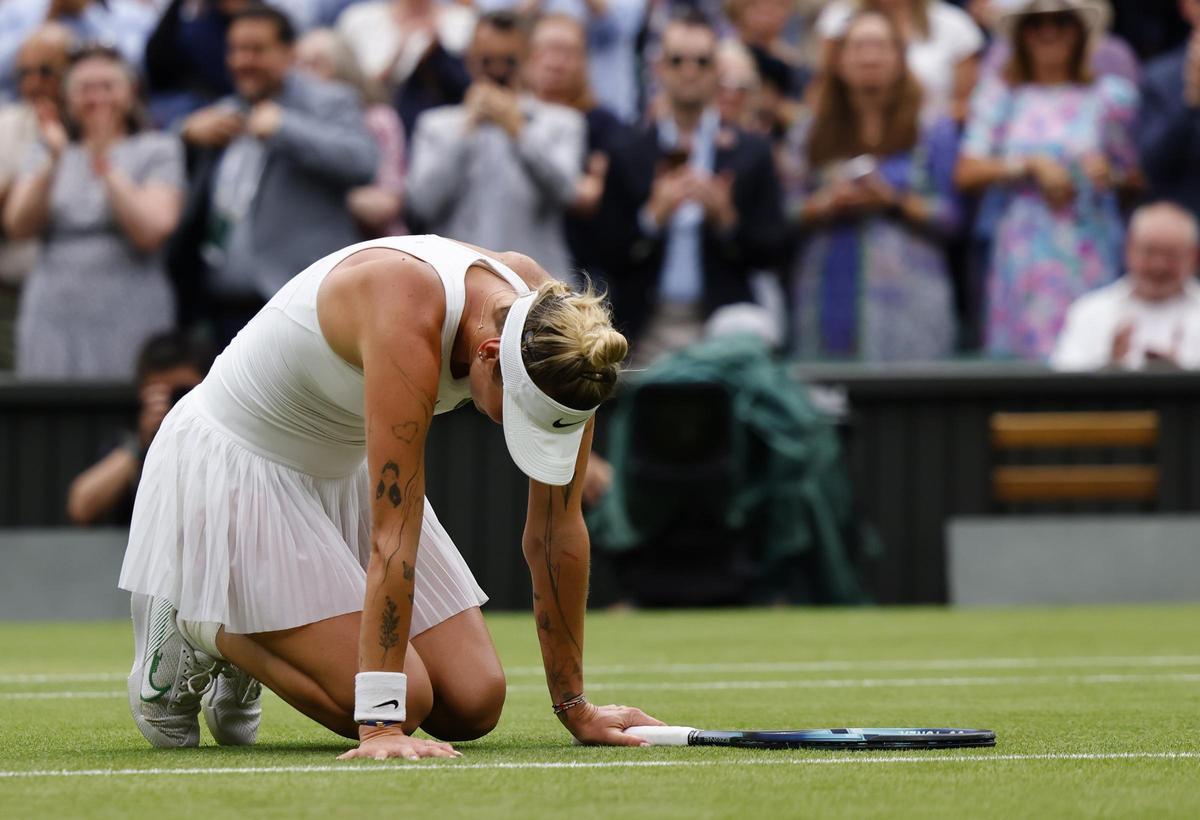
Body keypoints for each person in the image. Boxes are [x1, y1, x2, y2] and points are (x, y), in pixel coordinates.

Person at [118, 233, 665, 758]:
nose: (513, 429)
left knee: (474, 704)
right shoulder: (404, 308)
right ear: (490, 355)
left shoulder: (569, 343)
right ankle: (205, 621)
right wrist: (381, 725)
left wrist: (576, 707)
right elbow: (391, 534)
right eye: (518, 414)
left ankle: (259, 621)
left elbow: (556, 530)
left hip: (343, 467)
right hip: (241, 465)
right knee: (410, 696)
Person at [171, 4, 378, 348]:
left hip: (302, 307)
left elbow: (363, 161)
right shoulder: (225, 112)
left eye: (255, 50)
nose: (242, 61)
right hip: (226, 308)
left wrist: (284, 128)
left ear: (288, 53)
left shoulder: (328, 101)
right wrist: (186, 135)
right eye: (235, 50)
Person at [597, 9, 787, 366]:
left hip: (723, 324)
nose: (689, 71)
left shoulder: (750, 152)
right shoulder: (628, 150)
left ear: (717, 70)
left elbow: (774, 249)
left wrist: (727, 220)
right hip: (642, 327)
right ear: (659, 68)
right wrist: (651, 218)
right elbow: (605, 250)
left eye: (702, 61)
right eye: (677, 60)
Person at [955, 0, 1139, 361]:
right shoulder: (1000, 97)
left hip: (1090, 244)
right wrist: (1028, 166)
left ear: (1080, 32)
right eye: (1036, 24)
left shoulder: (1110, 97)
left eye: (1061, 21)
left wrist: (1110, 175)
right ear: (1022, 35)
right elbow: (966, 172)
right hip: (1023, 249)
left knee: (1090, 349)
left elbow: (1135, 177)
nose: (1048, 32)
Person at [3, 45, 184, 380]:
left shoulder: (159, 149)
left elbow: (151, 231)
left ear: (130, 93)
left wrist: (106, 165)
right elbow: (18, 225)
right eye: (85, 89)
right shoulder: (49, 150)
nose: (96, 98)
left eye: (107, 87)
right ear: (68, 98)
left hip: (130, 306)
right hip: (52, 310)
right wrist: (53, 161)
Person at [786, 10, 959, 361]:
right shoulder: (808, 132)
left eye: (880, 46)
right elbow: (781, 213)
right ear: (839, 60)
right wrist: (826, 203)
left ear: (900, 57)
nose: (869, 56)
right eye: (858, 46)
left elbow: (954, 217)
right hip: (826, 296)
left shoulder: (932, 129)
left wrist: (892, 200)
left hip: (913, 304)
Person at [406, 11, 584, 281]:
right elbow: (422, 204)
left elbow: (566, 191)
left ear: (527, 59)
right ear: (470, 60)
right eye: (487, 60)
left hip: (537, 287)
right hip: (458, 286)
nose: (498, 70)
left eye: (509, 61)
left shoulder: (561, 122)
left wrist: (518, 132)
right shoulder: (437, 125)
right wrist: (465, 130)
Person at [67, 332, 212, 526]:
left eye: (183, 393)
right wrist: (143, 446)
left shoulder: (226, 444)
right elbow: (80, 507)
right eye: (161, 394)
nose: (174, 405)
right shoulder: (130, 445)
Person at [525, 13, 628, 278]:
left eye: (567, 52)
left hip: (582, 265)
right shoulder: (513, 115)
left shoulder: (603, 124)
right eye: (547, 50)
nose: (555, 62)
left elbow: (590, 196)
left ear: (584, 61)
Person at [0, 23, 72, 371]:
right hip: (10, 292)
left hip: (77, 296)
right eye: (23, 73)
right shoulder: (6, 123)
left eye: (45, 71)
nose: (33, 84)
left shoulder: (99, 121)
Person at [1052, 202, 1200, 370]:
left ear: (1194, 256)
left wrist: (1183, 381)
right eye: (1150, 252)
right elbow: (1063, 386)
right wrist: (1110, 370)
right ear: (1129, 249)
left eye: (1171, 255)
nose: (1159, 265)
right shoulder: (1089, 312)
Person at [295, 27, 407, 238]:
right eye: (298, 65)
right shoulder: (289, 125)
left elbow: (385, 205)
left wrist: (316, 193)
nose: (304, 75)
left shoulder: (377, 120)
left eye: (315, 64)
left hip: (374, 249)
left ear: (344, 66)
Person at [815, 0, 984, 121]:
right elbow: (822, 90)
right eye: (860, 46)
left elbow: (967, 106)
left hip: (926, 144)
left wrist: (926, 122)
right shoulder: (838, 19)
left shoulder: (955, 25)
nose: (871, 59)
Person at [336, 0, 476, 138]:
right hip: (368, 132)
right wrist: (394, 58)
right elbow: (342, 89)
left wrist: (438, 54)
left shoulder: (463, 21)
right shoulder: (358, 20)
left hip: (449, 133)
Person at [1138, 0, 1200, 215]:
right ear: (1187, 6)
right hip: (1181, 231)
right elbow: (1150, 167)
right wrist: (1190, 101)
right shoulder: (1161, 78)